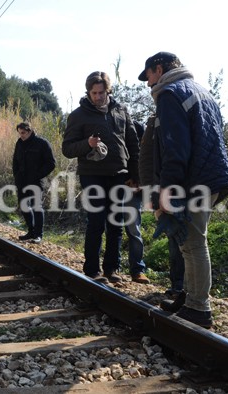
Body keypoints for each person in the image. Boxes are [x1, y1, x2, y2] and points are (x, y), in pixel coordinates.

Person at [138, 52, 228, 328]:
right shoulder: (202, 91)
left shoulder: (170, 94)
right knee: (189, 243)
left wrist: (167, 190)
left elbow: (175, 148)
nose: (148, 84)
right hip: (211, 176)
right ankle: (190, 296)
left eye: (148, 76)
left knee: (193, 243)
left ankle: (199, 307)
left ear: (159, 69)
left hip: (193, 180)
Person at [62, 71, 140, 284]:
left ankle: (112, 269)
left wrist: (135, 175)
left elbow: (133, 144)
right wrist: (87, 144)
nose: (97, 96)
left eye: (101, 92)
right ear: (88, 92)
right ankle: (92, 270)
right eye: (93, 93)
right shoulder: (78, 115)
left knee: (116, 222)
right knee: (96, 222)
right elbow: (67, 149)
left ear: (108, 91)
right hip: (92, 174)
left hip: (119, 174)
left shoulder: (121, 110)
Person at [138, 114, 184, 297]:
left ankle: (188, 289)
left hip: (188, 188)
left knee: (190, 241)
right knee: (175, 239)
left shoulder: (186, 117)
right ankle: (178, 286)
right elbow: (146, 159)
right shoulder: (155, 121)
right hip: (166, 189)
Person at [13, 122, 56, 244]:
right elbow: (15, 161)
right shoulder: (19, 143)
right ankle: (31, 231)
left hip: (37, 181)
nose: (21, 135)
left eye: (23, 133)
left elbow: (51, 163)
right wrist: (16, 175)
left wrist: (37, 175)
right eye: (19, 133)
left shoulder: (42, 143)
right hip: (21, 181)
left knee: (37, 206)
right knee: (23, 206)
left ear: (30, 131)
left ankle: (38, 235)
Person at [123, 120, 150, 284]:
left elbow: (146, 161)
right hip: (115, 185)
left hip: (135, 190)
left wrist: (139, 183)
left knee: (134, 230)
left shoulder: (141, 133)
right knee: (113, 229)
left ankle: (137, 270)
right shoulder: (116, 136)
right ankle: (112, 268)